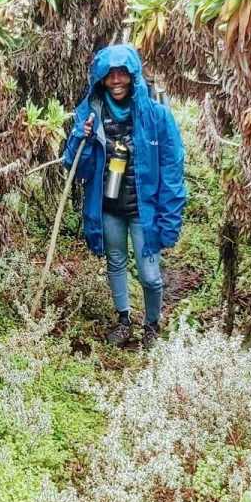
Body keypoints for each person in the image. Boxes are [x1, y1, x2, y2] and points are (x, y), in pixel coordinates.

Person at [63, 44, 187, 348]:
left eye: (122, 73)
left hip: (144, 211)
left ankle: (152, 325)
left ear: (133, 76)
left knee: (150, 275)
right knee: (115, 263)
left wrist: (170, 219)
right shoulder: (90, 113)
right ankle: (123, 320)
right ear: (101, 79)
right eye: (109, 74)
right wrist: (83, 136)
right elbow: (74, 166)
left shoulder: (157, 115)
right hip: (108, 208)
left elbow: (172, 169)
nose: (116, 80)